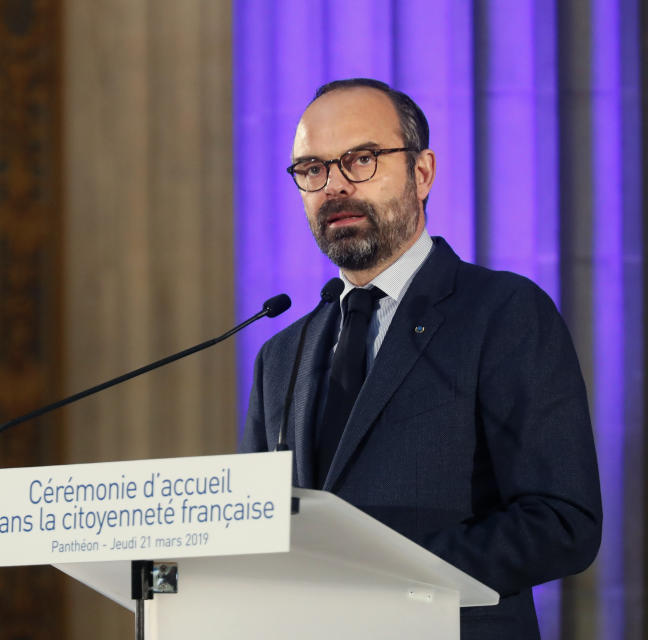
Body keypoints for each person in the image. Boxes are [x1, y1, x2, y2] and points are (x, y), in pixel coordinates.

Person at [239, 78, 601, 639]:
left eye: (360, 159)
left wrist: (382, 573)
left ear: (422, 172)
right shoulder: (279, 356)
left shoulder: (502, 313)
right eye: (312, 169)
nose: (334, 186)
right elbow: (257, 536)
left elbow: (562, 522)